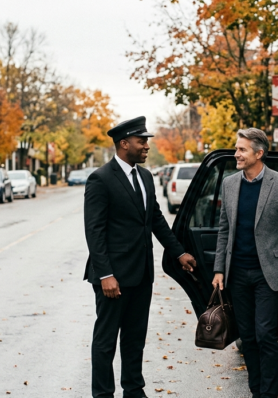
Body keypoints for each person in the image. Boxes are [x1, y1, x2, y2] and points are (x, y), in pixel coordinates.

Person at [84, 116, 197, 398]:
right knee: (106, 341)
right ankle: (102, 394)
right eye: (141, 141)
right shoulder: (101, 179)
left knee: (135, 339)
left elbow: (155, 219)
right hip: (113, 277)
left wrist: (179, 251)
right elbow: (94, 232)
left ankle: (134, 390)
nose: (147, 145)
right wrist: (106, 275)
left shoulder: (145, 176)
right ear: (124, 144)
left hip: (142, 273)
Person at [211, 128, 278, 398]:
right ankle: (256, 392)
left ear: (259, 153)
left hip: (269, 274)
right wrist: (219, 268)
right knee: (248, 337)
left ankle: (268, 393)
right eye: (237, 149)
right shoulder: (230, 184)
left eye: (241, 150)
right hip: (237, 273)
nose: (236, 154)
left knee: (265, 335)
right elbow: (224, 230)